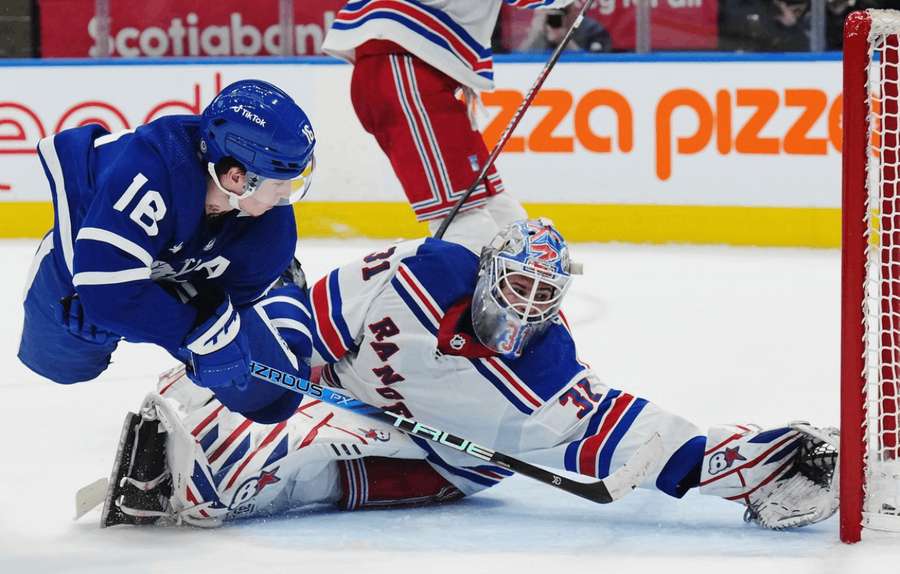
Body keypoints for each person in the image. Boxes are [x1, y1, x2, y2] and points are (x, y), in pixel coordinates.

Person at [97, 219, 839, 531]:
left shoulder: (545, 381)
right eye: (518, 288)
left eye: (544, 298)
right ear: (487, 276)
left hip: (446, 458)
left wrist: (756, 460)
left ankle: (198, 491)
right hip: (349, 387)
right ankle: (181, 452)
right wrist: (278, 361)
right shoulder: (417, 273)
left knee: (311, 466)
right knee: (254, 386)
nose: (527, 309)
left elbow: (653, 447)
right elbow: (309, 320)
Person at [18, 79, 317, 398]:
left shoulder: (270, 223)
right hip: (88, 260)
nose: (286, 194)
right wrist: (185, 331)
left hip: (192, 267)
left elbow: (236, 304)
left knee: (270, 397)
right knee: (64, 363)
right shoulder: (153, 171)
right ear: (236, 178)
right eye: (280, 183)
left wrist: (212, 333)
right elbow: (106, 292)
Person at [320, 0, 583, 252]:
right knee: (465, 222)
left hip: (412, 67)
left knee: (498, 208)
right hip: (403, 67)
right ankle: (468, 297)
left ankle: (516, 293)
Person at [522, 5, 612, 53]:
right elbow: (520, 59)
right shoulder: (541, 26)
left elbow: (597, 65)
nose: (556, 17)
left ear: (573, 9)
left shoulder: (591, 29)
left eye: (563, 11)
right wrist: (535, 33)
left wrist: (564, 41)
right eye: (551, 10)